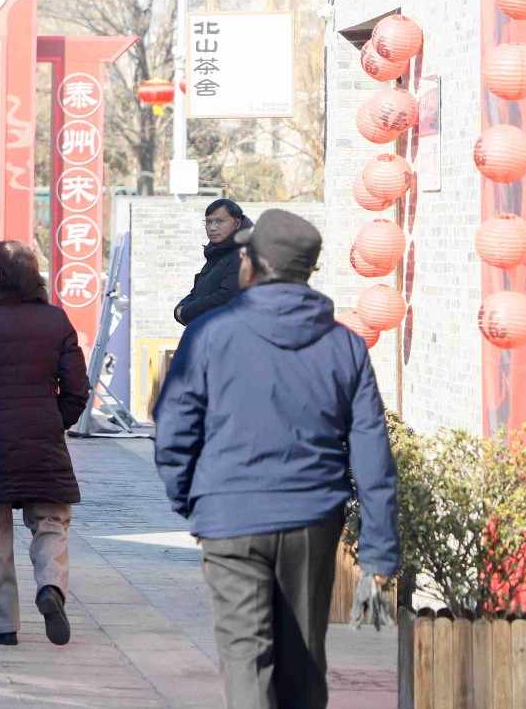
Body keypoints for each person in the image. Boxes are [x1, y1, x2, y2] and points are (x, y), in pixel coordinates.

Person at [153, 209, 399, 708]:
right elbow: (372, 450)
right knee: (302, 661)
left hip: (230, 516)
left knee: (246, 657)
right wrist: (378, 548)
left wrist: (192, 500)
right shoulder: (344, 345)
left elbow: (174, 430)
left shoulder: (210, 334)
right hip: (312, 518)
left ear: (252, 264)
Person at [0, 241, 89, 648]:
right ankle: (51, 586)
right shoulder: (56, 321)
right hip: (44, 439)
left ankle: (3, 626)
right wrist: (55, 420)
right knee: (51, 521)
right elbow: (77, 388)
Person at [174, 198, 251, 326]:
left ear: (237, 223)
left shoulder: (244, 254)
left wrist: (185, 312)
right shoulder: (217, 252)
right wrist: (180, 310)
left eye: (219, 221)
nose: (212, 228)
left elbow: (226, 297)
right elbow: (198, 292)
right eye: (208, 222)